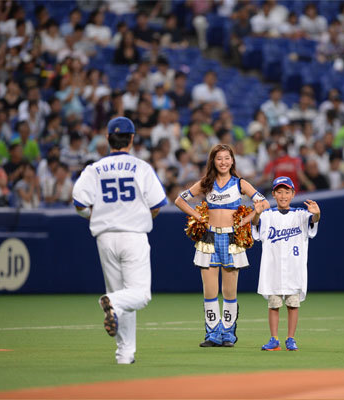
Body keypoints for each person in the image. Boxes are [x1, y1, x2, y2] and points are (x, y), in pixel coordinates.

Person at [72, 117, 167, 364]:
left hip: (105, 237)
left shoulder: (94, 168)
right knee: (139, 295)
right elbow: (157, 205)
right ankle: (111, 302)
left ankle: (125, 354)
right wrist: (141, 214)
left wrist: (94, 215)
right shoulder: (142, 167)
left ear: (107, 139)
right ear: (132, 138)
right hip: (133, 235)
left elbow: (79, 203)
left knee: (121, 299)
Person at [174, 144, 270, 347]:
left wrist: (248, 219)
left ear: (232, 160)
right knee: (210, 291)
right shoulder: (206, 183)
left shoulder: (240, 183)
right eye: (219, 159)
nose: (224, 162)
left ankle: (228, 334)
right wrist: (198, 216)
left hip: (232, 240)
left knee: (229, 292)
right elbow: (179, 200)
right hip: (208, 239)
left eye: (227, 158)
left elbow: (263, 202)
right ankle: (212, 335)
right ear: (213, 161)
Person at [252, 176, 320, 351]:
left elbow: (313, 221)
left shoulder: (301, 214)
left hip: (293, 268)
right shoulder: (267, 215)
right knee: (273, 304)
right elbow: (256, 227)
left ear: (293, 193)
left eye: (287, 192)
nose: (283, 196)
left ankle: (291, 338)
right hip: (273, 268)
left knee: (292, 304)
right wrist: (257, 213)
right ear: (273, 194)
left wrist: (317, 213)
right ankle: (274, 339)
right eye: (279, 192)